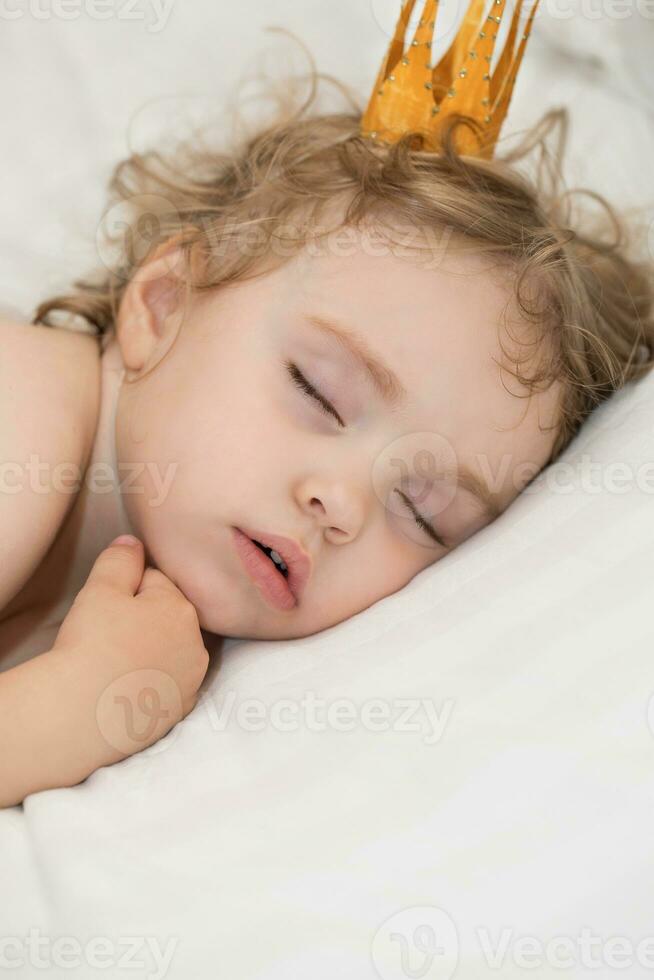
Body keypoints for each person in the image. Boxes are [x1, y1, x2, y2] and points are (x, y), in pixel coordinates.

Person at [1, 1, 652, 806]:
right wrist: (76, 706)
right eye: (319, 391)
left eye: (422, 509)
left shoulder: (162, 626)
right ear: (164, 304)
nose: (340, 501)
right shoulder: (21, 409)